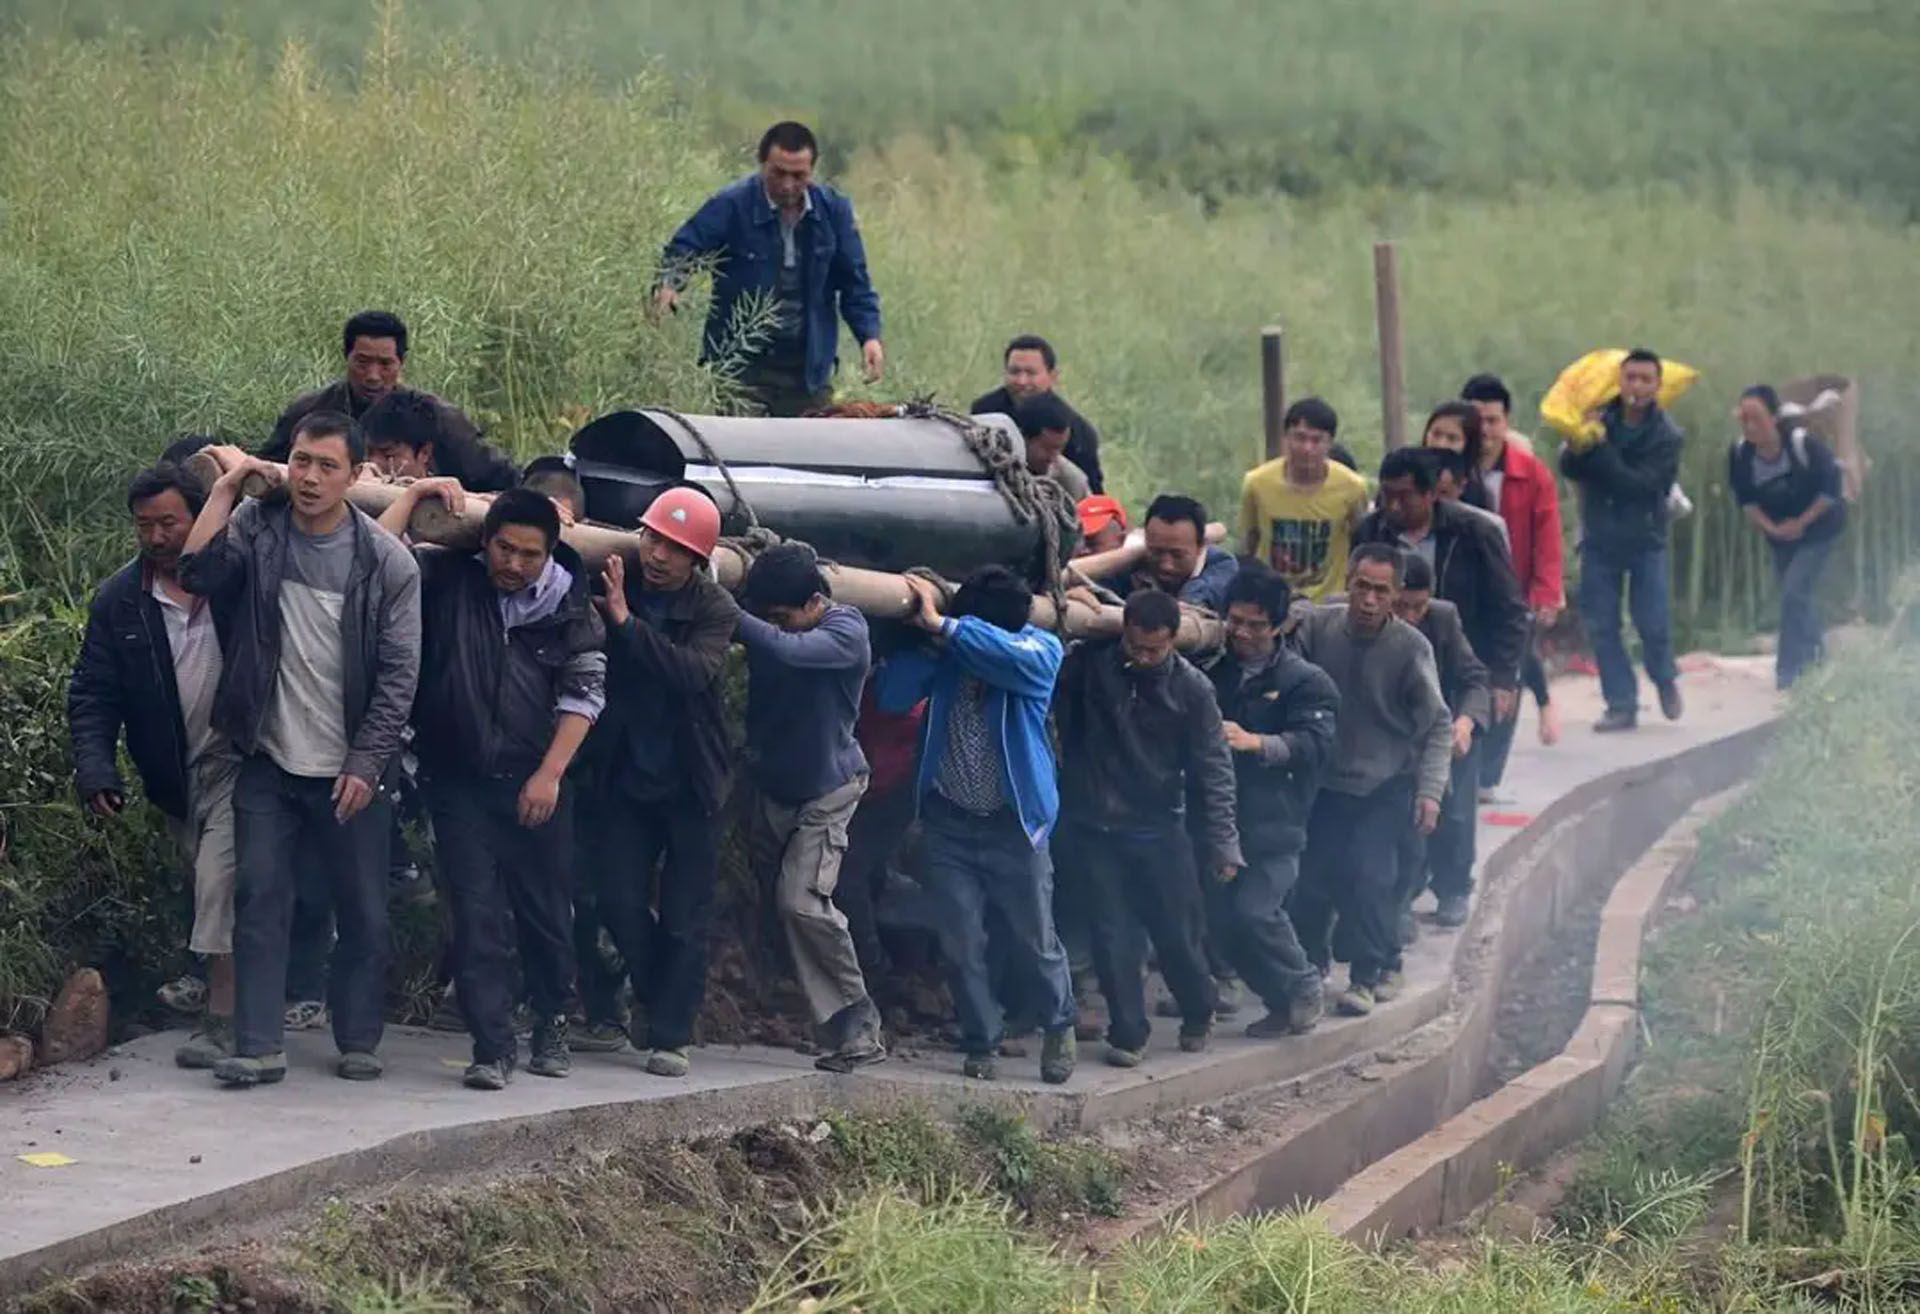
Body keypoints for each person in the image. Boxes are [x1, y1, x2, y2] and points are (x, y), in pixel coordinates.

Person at [178, 412, 421, 1087]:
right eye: (301, 462)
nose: (311, 478)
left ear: (355, 475)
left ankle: (359, 1037)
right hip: (268, 754)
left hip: (349, 769)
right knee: (260, 897)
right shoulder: (260, 531)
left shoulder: (385, 562)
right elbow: (197, 573)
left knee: (363, 909)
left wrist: (366, 763)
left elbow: (401, 678)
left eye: (327, 466)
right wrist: (226, 491)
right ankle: (258, 1045)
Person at [379, 484, 605, 1090]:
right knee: (475, 915)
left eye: (529, 555)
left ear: (551, 554)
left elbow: (584, 694)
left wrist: (549, 774)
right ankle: (492, 1047)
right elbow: (377, 555)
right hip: (458, 779)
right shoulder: (449, 579)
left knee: (546, 914)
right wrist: (424, 491)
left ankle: (553, 1018)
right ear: (485, 542)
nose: (513, 565)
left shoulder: (569, 603)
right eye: (504, 549)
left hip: (539, 779)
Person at [68, 463, 240, 1069]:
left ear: (199, 520)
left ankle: (225, 1020)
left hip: (238, 757)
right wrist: (97, 771)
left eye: (170, 522)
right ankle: (257, 992)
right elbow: (93, 692)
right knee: (204, 882)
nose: (158, 536)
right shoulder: (121, 601)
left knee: (222, 878)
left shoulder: (232, 582)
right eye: (146, 526)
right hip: (174, 774)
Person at [879, 567, 1077, 1084]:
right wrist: (926, 642)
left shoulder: (1039, 651)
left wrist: (944, 627)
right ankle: (981, 1039)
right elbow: (892, 696)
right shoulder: (950, 656)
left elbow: (1013, 658)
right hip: (949, 824)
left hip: (1016, 828)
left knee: (1037, 939)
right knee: (961, 942)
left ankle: (1059, 1024)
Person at [584, 487, 740, 1076]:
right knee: (618, 899)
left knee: (684, 914)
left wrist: (626, 624)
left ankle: (671, 1035)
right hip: (626, 774)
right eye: (653, 539)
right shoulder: (613, 579)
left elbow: (692, 673)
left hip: (692, 783)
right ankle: (654, 995)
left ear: (697, 560)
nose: (658, 556)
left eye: (675, 548)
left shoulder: (714, 609)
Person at [1054, 589, 1240, 1067]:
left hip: (1159, 827)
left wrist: (1223, 843)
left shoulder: (1193, 690)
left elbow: (1214, 767)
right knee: (1111, 933)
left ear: (1173, 641)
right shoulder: (1093, 665)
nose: (1143, 657)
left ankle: (1198, 1009)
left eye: (1154, 650)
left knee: (1176, 933)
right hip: (1096, 825)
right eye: (1134, 647)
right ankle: (1128, 1031)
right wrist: (1080, 597)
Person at [734, 544, 886, 1071]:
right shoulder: (776, 619)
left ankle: (858, 1022)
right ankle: (819, 1016)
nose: (773, 625)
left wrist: (727, 608)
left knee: (801, 902)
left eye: (781, 617)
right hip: (774, 787)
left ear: (816, 602)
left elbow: (787, 652)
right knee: (776, 906)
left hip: (830, 790)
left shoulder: (847, 631)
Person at [1289, 545, 1451, 1016]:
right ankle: (1311, 963)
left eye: (1381, 591)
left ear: (1396, 596)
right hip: (1323, 783)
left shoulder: (1409, 648)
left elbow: (1438, 723)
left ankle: (1367, 974)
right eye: (1362, 586)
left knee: (1370, 877)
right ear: (1348, 581)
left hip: (1384, 783)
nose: (1368, 600)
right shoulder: (1319, 629)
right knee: (1312, 878)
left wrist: (1430, 792)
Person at [655, 122, 883, 418]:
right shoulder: (731, 205)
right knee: (740, 455)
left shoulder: (834, 212)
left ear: (812, 171)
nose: (788, 185)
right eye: (779, 173)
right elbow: (685, 247)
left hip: (808, 371)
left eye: (798, 175)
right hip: (741, 368)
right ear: (763, 164)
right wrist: (669, 284)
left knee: (809, 456)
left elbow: (855, 283)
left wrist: (870, 336)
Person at [1208, 566, 1340, 1038]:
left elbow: (1315, 746)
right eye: (1235, 621)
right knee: (1222, 925)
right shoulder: (1214, 669)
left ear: (1281, 626)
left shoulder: (1306, 682)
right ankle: (1279, 1001)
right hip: (1220, 820)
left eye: (1255, 625)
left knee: (1257, 910)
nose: (1241, 633)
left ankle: (1304, 986)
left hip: (1276, 821)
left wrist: (1257, 743)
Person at [1354, 448, 1528, 733]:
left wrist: (1503, 677)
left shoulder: (1476, 533)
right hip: (1390, 669)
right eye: (1388, 496)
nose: (1394, 507)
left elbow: (1509, 607)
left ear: (1430, 494)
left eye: (1404, 497)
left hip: (1460, 666)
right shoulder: (1370, 532)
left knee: (1461, 758)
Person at [1559, 348, 1685, 731]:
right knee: (1601, 624)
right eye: (1631, 378)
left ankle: (1664, 679)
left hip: (1645, 538)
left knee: (1652, 622)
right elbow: (1568, 466)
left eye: (1646, 379)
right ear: (1620, 380)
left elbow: (1644, 486)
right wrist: (1580, 435)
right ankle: (1621, 703)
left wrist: (1602, 452)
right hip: (1600, 537)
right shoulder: (1599, 419)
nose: (1637, 387)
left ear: (1658, 386)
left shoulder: (1668, 436)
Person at [261, 311, 509, 486]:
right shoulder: (310, 412)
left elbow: (499, 474)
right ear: (346, 357)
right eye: (362, 362)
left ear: (402, 362)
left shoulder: (436, 416)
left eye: (385, 364)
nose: (373, 376)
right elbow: (268, 468)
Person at [1461, 374, 1565, 774]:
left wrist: (1546, 591)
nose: (1484, 430)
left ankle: (1489, 771)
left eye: (1493, 420)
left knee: (1508, 674)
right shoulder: (1453, 469)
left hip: (1514, 589)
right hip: (1467, 587)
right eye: (1477, 421)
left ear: (1506, 422)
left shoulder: (1532, 474)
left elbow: (1547, 534)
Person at [1390, 554, 1489, 930]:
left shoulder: (1444, 619)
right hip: (1392, 734)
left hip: (1440, 728)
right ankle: (1402, 897)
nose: (1411, 616)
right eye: (1402, 606)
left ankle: (1454, 887)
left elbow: (1474, 678)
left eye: (1419, 607)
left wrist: (1464, 723)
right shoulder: (1361, 620)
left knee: (1455, 806)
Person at [1729, 385, 1846, 689]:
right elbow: (1747, 502)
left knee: (1794, 591)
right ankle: (1818, 659)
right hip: (1779, 532)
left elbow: (1830, 490)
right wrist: (1772, 528)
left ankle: (1788, 670)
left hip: (1819, 527)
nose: (1750, 427)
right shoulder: (1741, 454)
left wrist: (1801, 522)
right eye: (1744, 420)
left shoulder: (1802, 444)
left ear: (1775, 417)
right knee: (1797, 597)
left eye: (1756, 418)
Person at [1239, 397, 1371, 600]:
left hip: (1328, 601)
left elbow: (1360, 542)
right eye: (1299, 438)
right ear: (1286, 438)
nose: (1307, 448)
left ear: (1329, 443)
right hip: (1272, 597)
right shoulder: (1257, 483)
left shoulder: (1352, 487)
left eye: (1316, 440)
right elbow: (1249, 541)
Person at [970, 334, 1104, 492]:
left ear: (1052, 377)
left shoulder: (1079, 434)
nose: (1021, 381)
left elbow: (1094, 496)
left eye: (1031, 373)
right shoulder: (984, 413)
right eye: (1014, 372)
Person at [360, 389, 520, 494]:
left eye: (388, 455)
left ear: (424, 453)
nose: (374, 463)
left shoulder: (465, 460)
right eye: (369, 453)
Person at [1114, 494, 1237, 613]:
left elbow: (1193, 604)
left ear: (1200, 547)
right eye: (1157, 552)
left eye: (1178, 555)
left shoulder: (1221, 565)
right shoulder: (1128, 564)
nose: (1166, 565)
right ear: (1146, 540)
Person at [1013, 392, 1092, 502]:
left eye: (1059, 448)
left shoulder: (1071, 481)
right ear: (1023, 438)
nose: (1053, 457)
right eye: (1047, 449)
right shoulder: (992, 467)